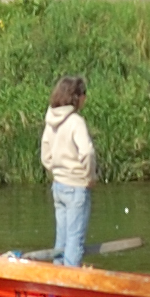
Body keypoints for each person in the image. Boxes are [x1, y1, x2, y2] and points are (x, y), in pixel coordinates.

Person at [41, 75, 95, 266]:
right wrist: (88, 176)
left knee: (61, 240)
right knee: (75, 242)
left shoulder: (51, 120)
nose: (85, 98)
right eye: (83, 94)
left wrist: (56, 170)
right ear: (75, 97)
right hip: (76, 187)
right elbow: (87, 152)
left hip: (58, 186)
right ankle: (70, 283)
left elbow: (45, 155)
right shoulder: (75, 122)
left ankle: (56, 279)